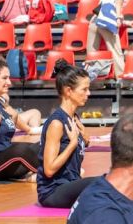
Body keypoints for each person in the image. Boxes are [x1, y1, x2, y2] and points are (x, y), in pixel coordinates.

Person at [37, 62, 96, 208]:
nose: (89, 93)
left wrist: (85, 141)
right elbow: (49, 170)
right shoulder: (57, 123)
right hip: (52, 192)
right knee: (103, 182)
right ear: (68, 91)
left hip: (70, 184)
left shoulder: (74, 118)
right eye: (84, 89)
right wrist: (72, 144)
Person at [89, 0, 130, 77]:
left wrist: (125, 22)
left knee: (92, 52)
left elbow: (101, 8)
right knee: (116, 51)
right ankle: (120, 78)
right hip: (107, 22)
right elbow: (118, 4)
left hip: (94, 21)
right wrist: (118, 18)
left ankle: (90, 77)